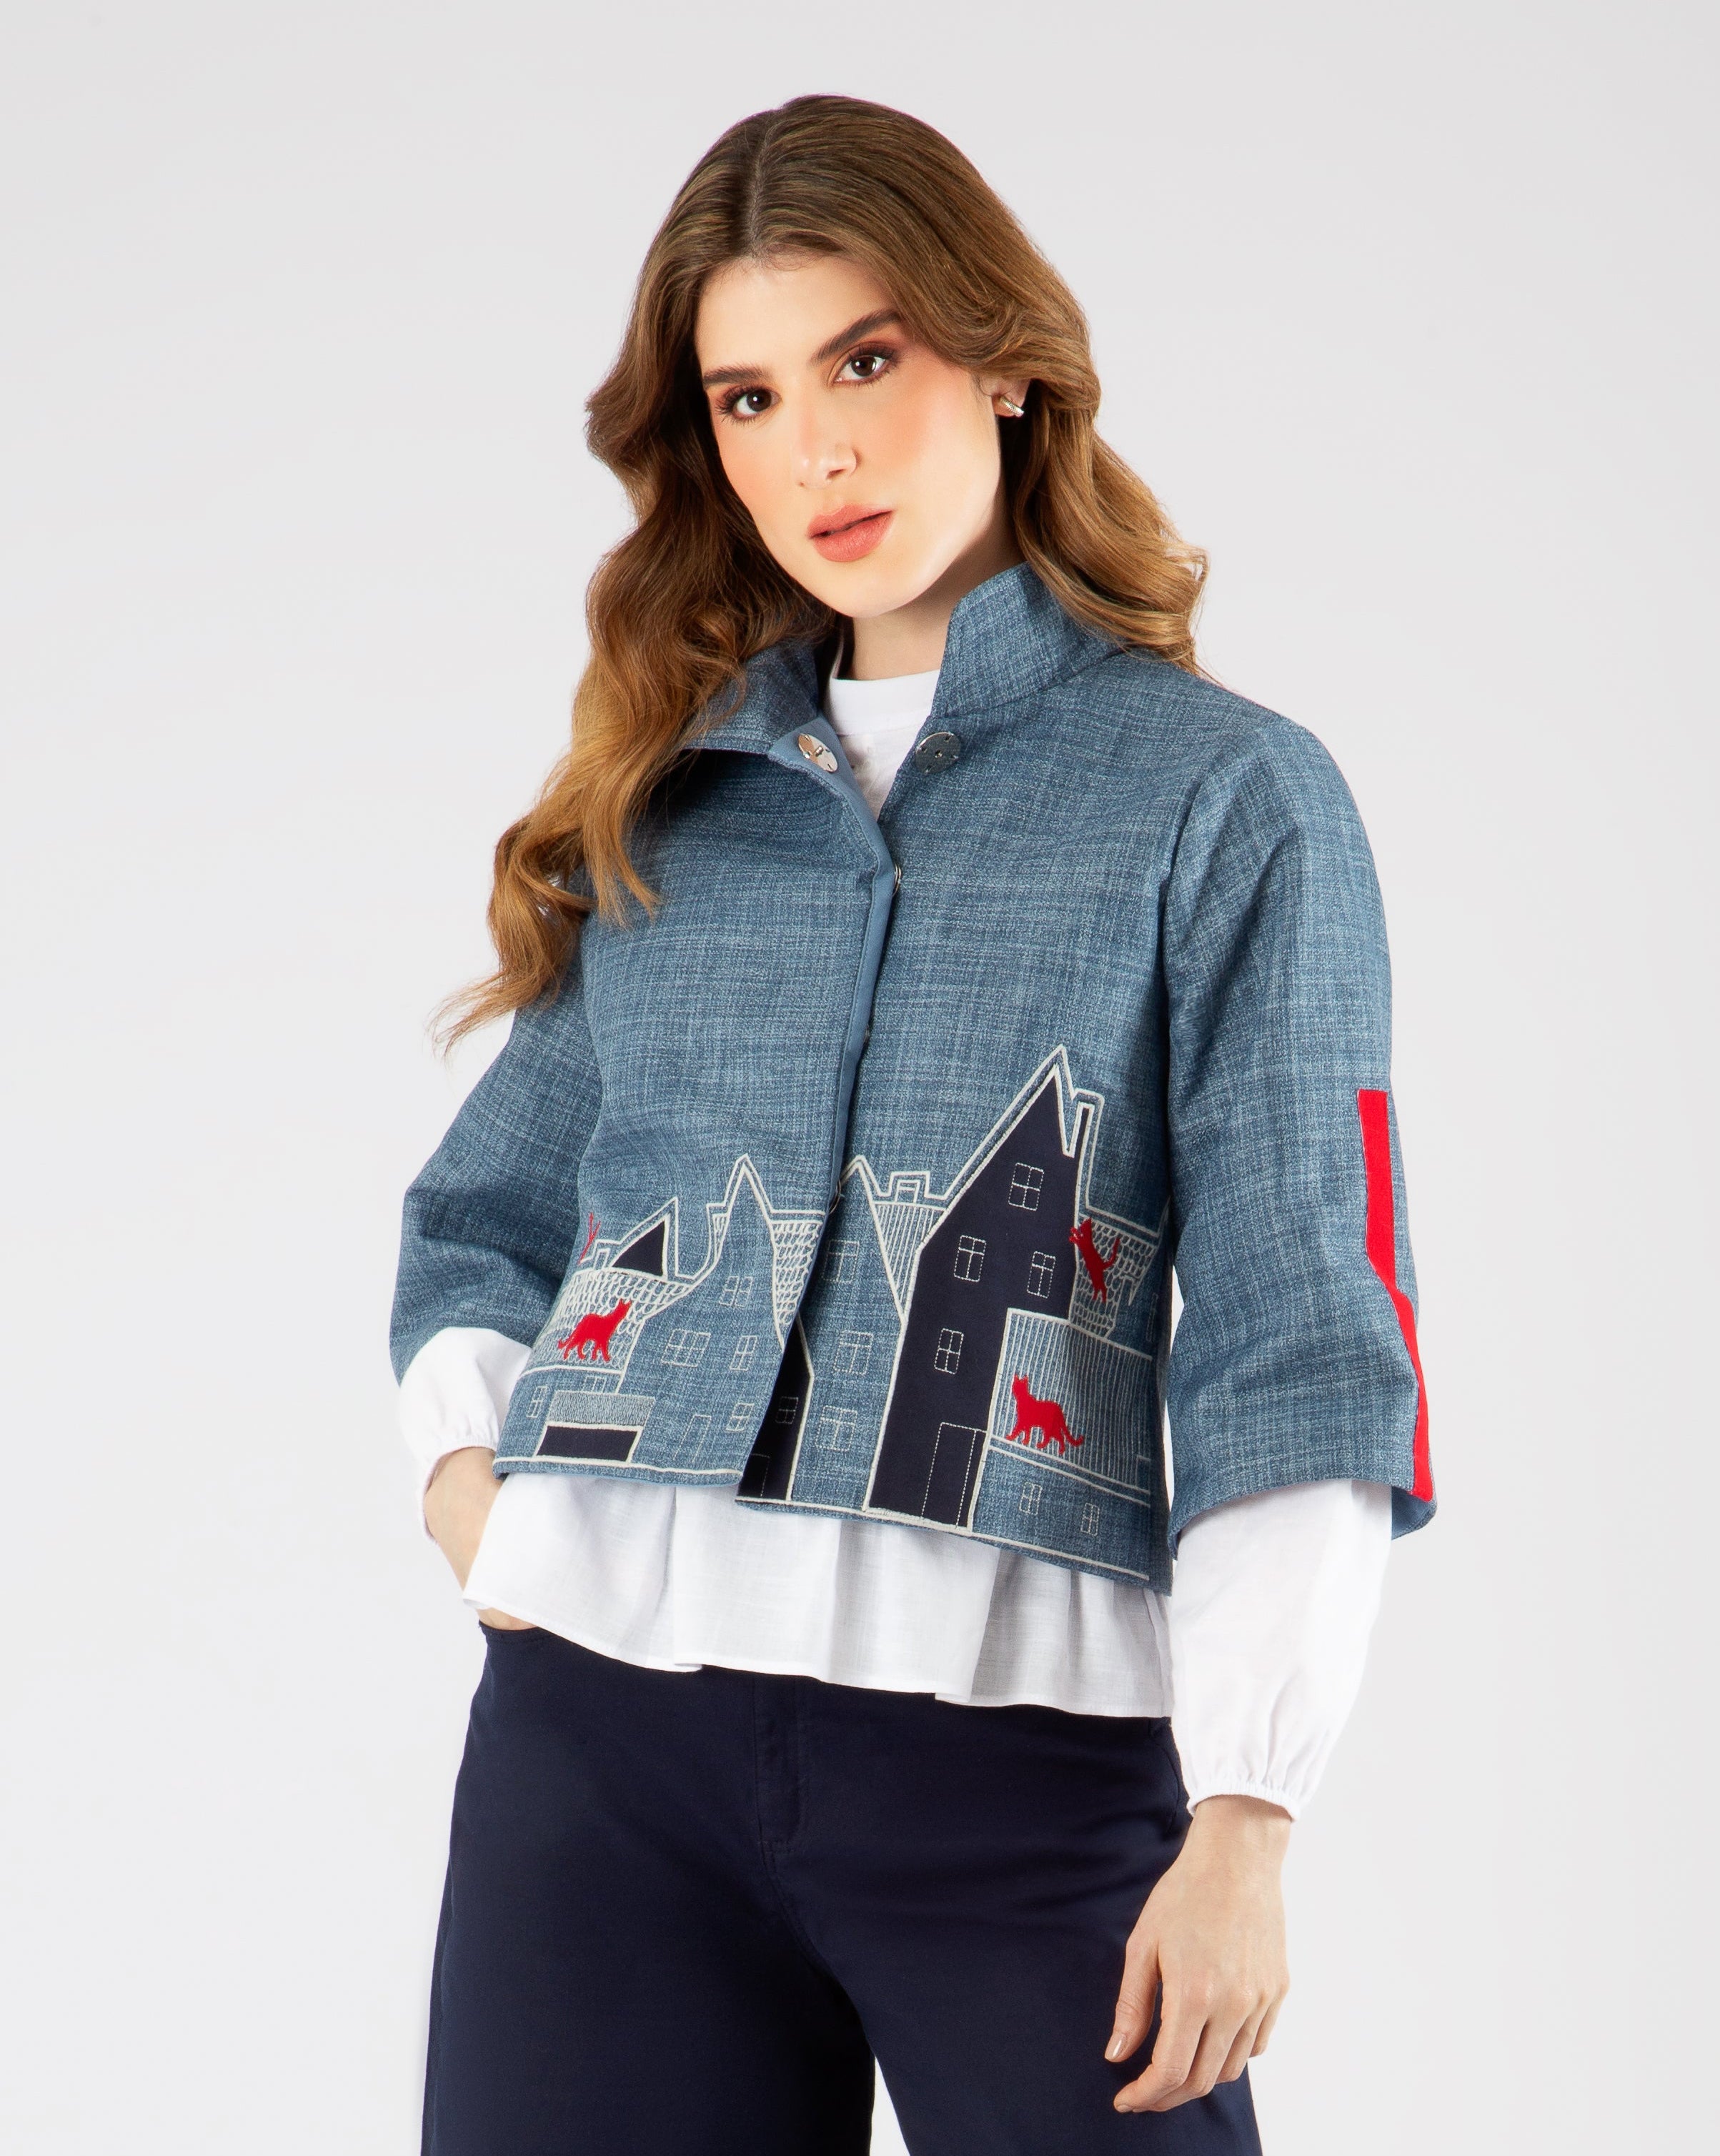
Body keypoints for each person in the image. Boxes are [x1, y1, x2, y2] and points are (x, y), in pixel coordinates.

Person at [392, 94, 1432, 2156]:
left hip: (1017, 1773)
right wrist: (477, 1498)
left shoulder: (1225, 797)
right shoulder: (671, 803)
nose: (818, 453)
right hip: (602, 1766)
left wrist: (1249, 1808)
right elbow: (484, 1216)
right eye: (751, 398)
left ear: (1006, 358)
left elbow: (1304, 1326)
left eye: (865, 361)